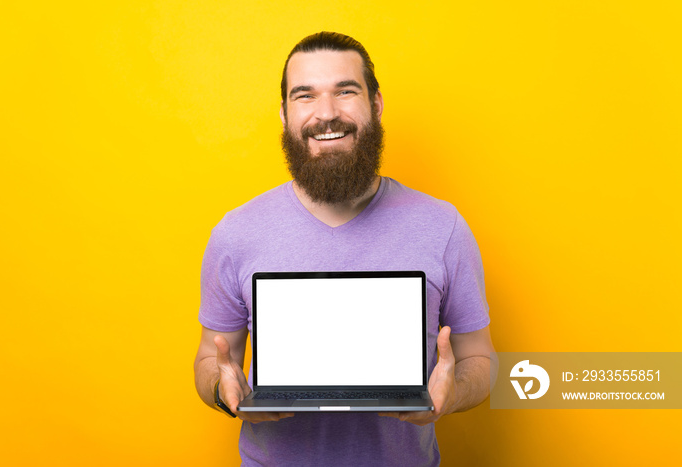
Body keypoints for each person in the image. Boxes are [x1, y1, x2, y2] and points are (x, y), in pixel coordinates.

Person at [194, 31, 495, 466]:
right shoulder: (236, 233)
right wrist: (224, 390)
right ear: (284, 114)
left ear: (375, 104)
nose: (327, 114)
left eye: (345, 91)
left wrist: (450, 395)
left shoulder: (442, 226)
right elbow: (210, 356)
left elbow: (481, 360)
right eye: (305, 96)